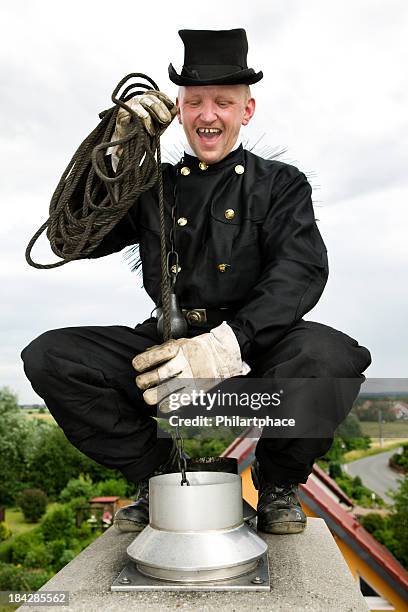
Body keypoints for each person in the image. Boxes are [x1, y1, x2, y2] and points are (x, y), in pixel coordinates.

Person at [21, 28, 371, 535]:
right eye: (195, 102)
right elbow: (70, 239)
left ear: (245, 112)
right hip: (166, 352)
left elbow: (301, 270)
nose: (208, 115)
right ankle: (155, 475)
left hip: (255, 354)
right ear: (179, 110)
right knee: (50, 357)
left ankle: (277, 487)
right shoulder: (151, 187)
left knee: (329, 359)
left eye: (223, 103)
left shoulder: (280, 184)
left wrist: (227, 346)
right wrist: (117, 149)